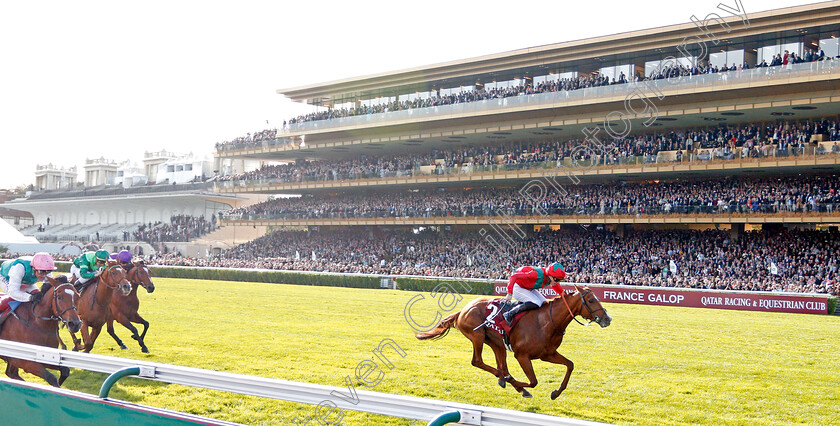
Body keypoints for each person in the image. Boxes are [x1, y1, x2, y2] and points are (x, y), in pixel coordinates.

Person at [502, 263, 566, 325]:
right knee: (536, 302)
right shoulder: (536, 275)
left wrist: (566, 297)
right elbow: (514, 276)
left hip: (527, 287)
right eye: (556, 279)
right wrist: (509, 293)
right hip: (517, 286)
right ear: (549, 275)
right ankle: (509, 314)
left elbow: (558, 289)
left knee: (544, 303)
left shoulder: (550, 279)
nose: (557, 282)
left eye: (560, 279)